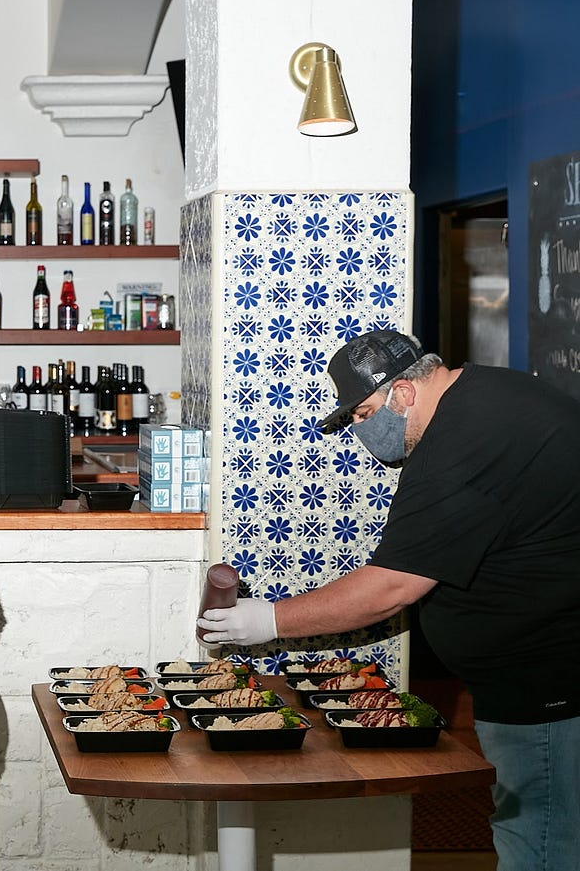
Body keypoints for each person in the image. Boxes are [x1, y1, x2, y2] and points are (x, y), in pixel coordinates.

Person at [197, 329, 580, 871]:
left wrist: (270, 619)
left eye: (363, 414)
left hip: (550, 683)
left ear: (402, 392)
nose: (360, 432)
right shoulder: (485, 398)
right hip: (529, 676)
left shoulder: (461, 439)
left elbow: (391, 587)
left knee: (541, 840)